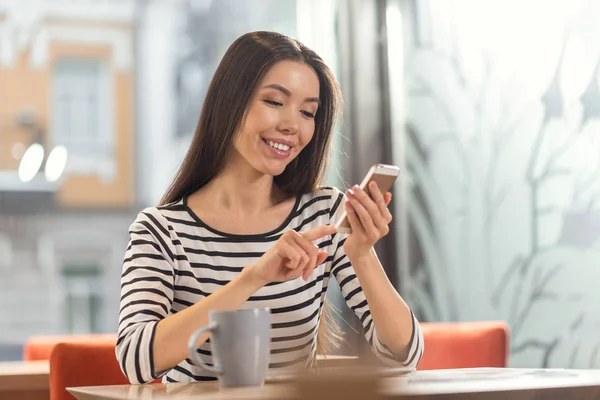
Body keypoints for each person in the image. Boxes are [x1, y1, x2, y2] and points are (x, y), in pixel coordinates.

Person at [116, 31, 423, 384]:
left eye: (308, 112)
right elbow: (135, 360)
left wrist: (363, 255)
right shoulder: (161, 230)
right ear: (230, 102)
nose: (292, 125)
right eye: (275, 102)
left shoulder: (322, 215)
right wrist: (254, 278)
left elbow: (404, 356)